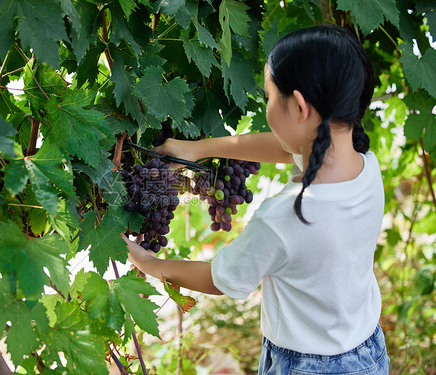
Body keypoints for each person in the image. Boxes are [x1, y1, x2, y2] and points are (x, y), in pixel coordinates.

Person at [121, 24, 391, 374]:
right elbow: (286, 146)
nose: (266, 105)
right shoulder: (363, 165)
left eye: (267, 97)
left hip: (306, 365)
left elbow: (222, 279)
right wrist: (200, 149)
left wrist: (150, 264)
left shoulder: (287, 217)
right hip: (366, 349)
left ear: (299, 106)